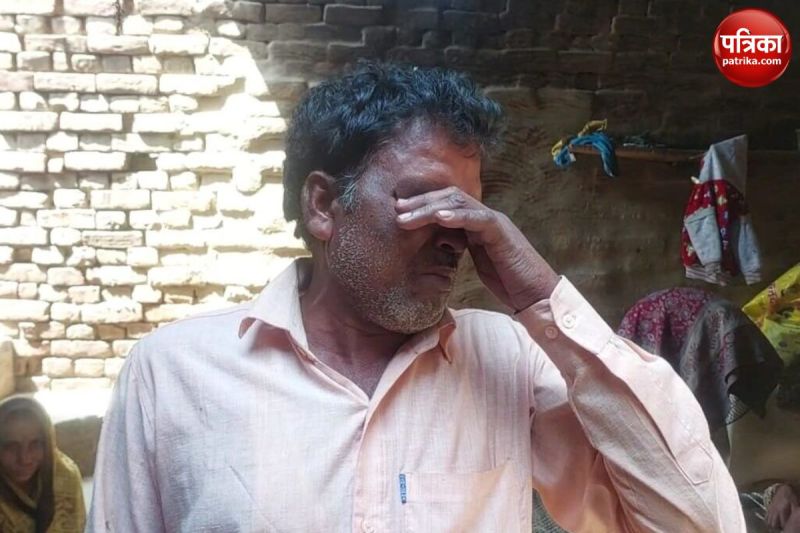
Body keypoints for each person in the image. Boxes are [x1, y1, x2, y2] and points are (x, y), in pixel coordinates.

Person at [89, 62, 745, 532]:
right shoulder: (172, 374)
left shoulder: (509, 363)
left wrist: (543, 297)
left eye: (469, 207)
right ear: (323, 205)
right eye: (427, 200)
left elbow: (696, 519)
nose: (458, 231)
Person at [0, 396, 85, 533]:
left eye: (35, 444)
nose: (25, 459)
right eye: (11, 446)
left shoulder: (66, 478)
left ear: (48, 443)